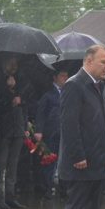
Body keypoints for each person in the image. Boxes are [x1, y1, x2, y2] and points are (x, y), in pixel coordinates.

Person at [59, 45, 105, 209]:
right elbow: (70, 124)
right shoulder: (75, 85)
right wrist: (78, 155)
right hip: (81, 162)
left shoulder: (100, 86)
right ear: (88, 61)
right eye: (103, 62)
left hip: (99, 159)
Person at [0, 55, 28, 209]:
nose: (13, 66)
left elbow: (26, 101)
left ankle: (10, 196)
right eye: (11, 63)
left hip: (18, 128)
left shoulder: (21, 80)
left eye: (15, 63)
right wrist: (8, 90)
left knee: (13, 165)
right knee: (1, 165)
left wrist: (17, 94)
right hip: (5, 129)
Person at [35, 68, 68, 199]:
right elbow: (41, 114)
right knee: (50, 160)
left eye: (66, 75)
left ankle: (64, 187)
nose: (65, 78)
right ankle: (47, 187)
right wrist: (39, 130)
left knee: (64, 161)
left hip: (65, 132)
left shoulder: (69, 92)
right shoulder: (48, 95)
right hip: (52, 132)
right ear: (55, 77)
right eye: (62, 75)